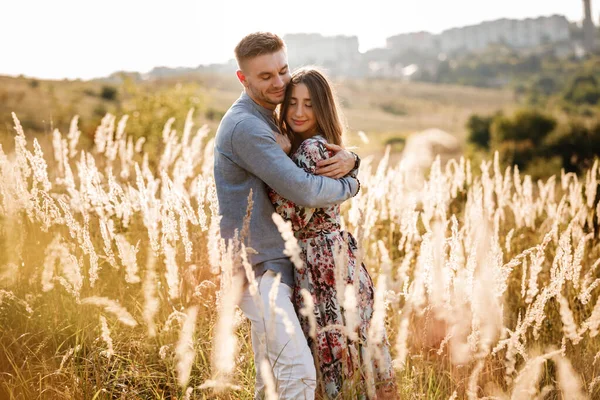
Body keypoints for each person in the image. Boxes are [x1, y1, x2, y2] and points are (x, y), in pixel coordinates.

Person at [213, 32, 361, 400]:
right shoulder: (247, 127)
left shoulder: (269, 117)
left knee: (272, 379)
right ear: (242, 78)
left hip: (274, 266)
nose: (279, 82)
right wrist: (353, 184)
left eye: (282, 70)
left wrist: (353, 157)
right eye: (265, 77)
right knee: (297, 372)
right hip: (258, 268)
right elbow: (306, 190)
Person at [268, 68, 397, 399]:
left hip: (323, 265)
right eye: (292, 102)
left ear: (322, 107)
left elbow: (294, 214)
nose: (298, 112)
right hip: (334, 260)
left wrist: (280, 160)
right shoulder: (316, 147)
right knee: (353, 354)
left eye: (309, 105)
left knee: (335, 359)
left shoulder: (310, 149)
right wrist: (353, 172)